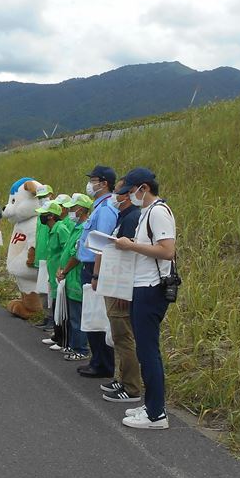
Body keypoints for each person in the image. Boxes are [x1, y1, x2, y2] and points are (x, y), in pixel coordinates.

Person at [114, 167, 177, 430]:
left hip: (152, 288)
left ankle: (155, 414)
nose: (129, 196)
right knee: (144, 348)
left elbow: (167, 251)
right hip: (143, 286)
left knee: (149, 351)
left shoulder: (159, 212)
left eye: (130, 191)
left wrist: (131, 245)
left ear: (144, 188)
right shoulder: (147, 213)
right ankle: (152, 404)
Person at [93, 179, 143, 403]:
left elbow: (129, 256)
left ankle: (131, 387)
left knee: (123, 337)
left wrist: (124, 290)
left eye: (120, 192)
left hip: (120, 286)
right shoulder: (123, 217)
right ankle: (122, 378)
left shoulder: (132, 218)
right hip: (112, 282)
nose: (116, 196)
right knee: (117, 334)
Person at [74, 165, 118, 378]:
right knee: (91, 314)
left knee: (97, 316)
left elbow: (103, 243)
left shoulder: (107, 208)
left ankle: (103, 363)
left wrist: (97, 274)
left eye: (93, 180)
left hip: (95, 267)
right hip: (89, 266)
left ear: (104, 183)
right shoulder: (99, 206)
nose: (90, 184)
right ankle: (96, 359)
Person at [55, 192, 93, 361]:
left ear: (80, 210)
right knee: (72, 316)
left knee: (77, 317)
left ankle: (81, 349)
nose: (70, 212)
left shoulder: (84, 228)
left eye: (72, 209)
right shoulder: (76, 227)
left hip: (76, 278)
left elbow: (76, 254)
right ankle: (73, 344)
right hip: (69, 279)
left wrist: (64, 270)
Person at [37, 199, 73, 350]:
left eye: (44, 214)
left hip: (60, 274)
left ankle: (64, 340)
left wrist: (62, 268)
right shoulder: (52, 230)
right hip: (53, 274)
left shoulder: (60, 229)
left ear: (51, 216)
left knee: (62, 307)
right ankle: (57, 336)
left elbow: (67, 250)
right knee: (55, 305)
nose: (42, 217)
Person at [29, 184, 53, 330]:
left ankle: (52, 318)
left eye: (44, 196)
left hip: (51, 259)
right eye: (39, 198)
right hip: (40, 258)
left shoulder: (55, 215)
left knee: (50, 291)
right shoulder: (40, 215)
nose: (42, 200)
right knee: (42, 290)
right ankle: (46, 316)